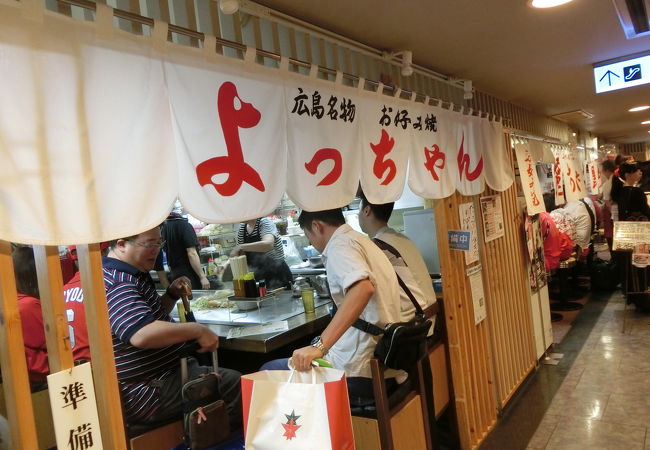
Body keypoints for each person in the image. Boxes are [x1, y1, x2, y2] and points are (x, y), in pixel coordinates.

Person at [102, 226, 241, 427]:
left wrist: (171, 294)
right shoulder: (118, 281)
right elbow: (141, 334)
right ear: (122, 244)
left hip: (166, 376)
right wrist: (197, 330)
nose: (156, 250)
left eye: (159, 243)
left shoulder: (132, 273)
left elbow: (150, 318)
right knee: (233, 382)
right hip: (149, 391)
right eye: (150, 244)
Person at [262, 209, 401, 406]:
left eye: (308, 235)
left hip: (358, 371)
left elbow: (362, 289)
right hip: (383, 360)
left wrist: (319, 347)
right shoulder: (360, 240)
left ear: (317, 226)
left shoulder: (339, 246)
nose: (311, 242)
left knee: (268, 371)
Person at [356, 191, 436, 328]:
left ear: (367, 211)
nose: (358, 215)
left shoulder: (378, 247)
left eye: (358, 210)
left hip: (414, 328)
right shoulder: (402, 238)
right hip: (430, 317)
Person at [12, 246, 49, 390]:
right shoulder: (28, 305)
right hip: (41, 381)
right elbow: (54, 344)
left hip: (24, 381)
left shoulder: (11, 303)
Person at [230, 217, 293, 289]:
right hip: (257, 276)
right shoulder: (242, 227)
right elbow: (240, 253)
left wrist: (241, 247)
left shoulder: (264, 222)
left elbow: (268, 244)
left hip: (276, 274)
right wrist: (225, 265)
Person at [160, 208, 210, 290]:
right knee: (194, 300)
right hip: (189, 274)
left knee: (183, 300)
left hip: (175, 274)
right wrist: (202, 277)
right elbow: (192, 253)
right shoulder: (184, 225)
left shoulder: (164, 228)